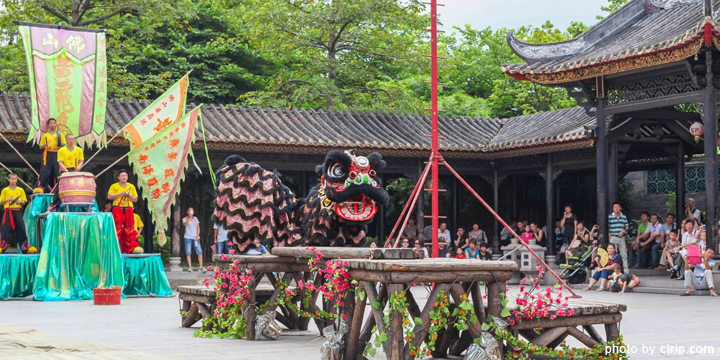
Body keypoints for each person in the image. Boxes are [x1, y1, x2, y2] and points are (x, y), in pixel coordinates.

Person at [107, 170, 141, 254]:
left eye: (125, 175)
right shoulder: (114, 186)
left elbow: (135, 199)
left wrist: (128, 195)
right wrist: (120, 193)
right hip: (118, 209)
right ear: (118, 177)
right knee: (117, 228)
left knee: (129, 228)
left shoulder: (131, 186)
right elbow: (109, 197)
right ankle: (116, 249)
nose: (124, 177)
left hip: (129, 208)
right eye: (122, 175)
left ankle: (130, 249)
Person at [1, 173, 28, 253]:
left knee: (21, 228)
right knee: (5, 229)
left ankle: (24, 248)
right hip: (8, 211)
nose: (14, 180)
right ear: (8, 180)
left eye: (15, 179)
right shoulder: (5, 190)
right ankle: (2, 248)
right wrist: (8, 200)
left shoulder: (20, 190)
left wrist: (20, 202)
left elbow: (24, 202)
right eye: (12, 179)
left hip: (17, 211)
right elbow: (1, 202)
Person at [39, 118, 66, 193]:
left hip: (57, 153)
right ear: (48, 125)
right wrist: (45, 145)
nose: (52, 125)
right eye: (51, 123)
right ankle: (43, 188)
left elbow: (64, 144)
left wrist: (60, 143)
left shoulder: (60, 134)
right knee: (46, 171)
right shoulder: (45, 135)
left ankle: (59, 188)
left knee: (57, 171)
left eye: (54, 123)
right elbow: (41, 146)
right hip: (48, 154)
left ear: (56, 124)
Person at [608, 202, 630, 273]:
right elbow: (607, 226)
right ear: (612, 208)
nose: (616, 208)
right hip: (613, 237)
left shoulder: (623, 216)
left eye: (618, 207)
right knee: (613, 254)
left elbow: (627, 226)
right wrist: (609, 234)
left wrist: (623, 231)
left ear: (620, 208)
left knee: (624, 254)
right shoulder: (610, 216)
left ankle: (626, 270)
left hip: (621, 238)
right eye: (614, 207)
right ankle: (614, 270)